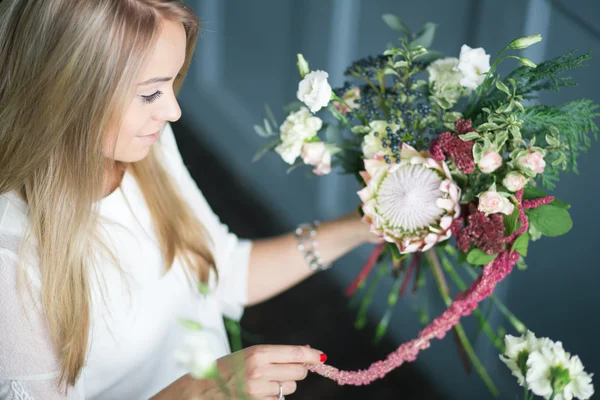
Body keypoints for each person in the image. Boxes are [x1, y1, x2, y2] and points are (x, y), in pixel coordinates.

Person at [0, 1, 379, 399]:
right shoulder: (11, 260)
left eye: (170, 83)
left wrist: (364, 224)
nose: (174, 111)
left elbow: (222, 272)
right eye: (149, 93)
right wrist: (200, 389)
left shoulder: (147, 147)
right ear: (64, 92)